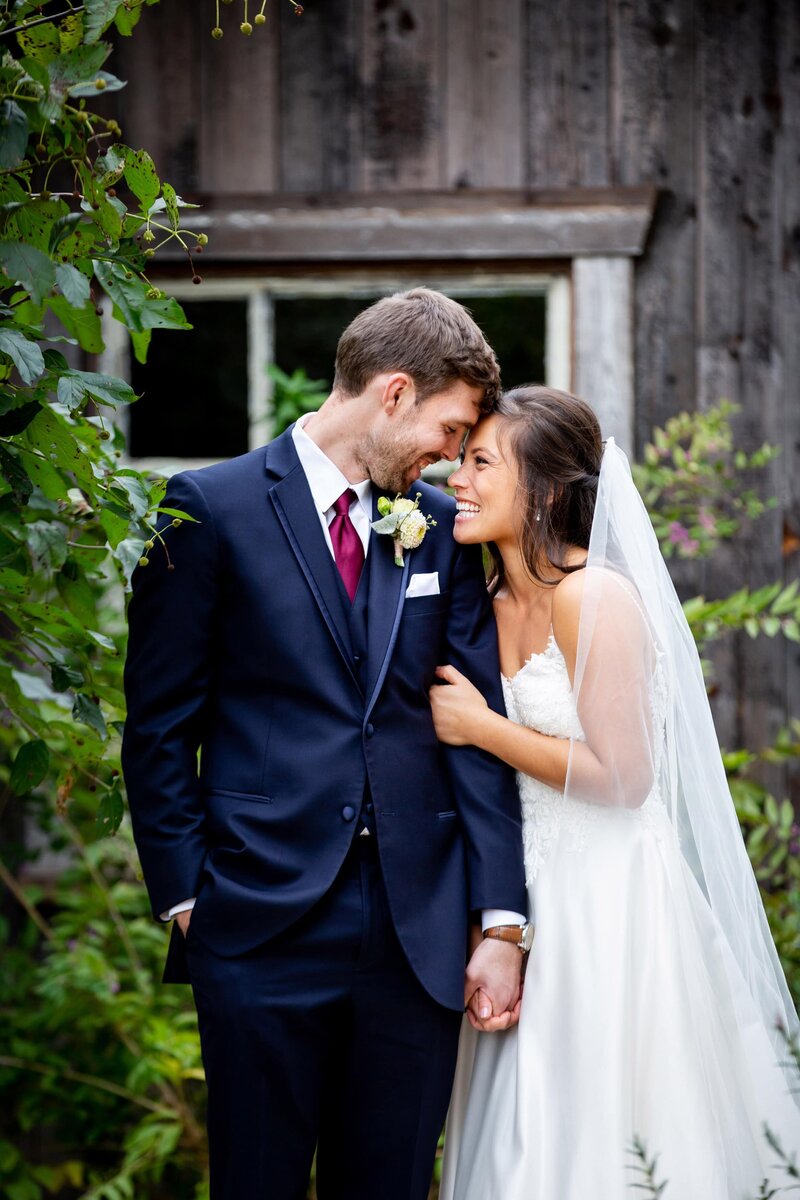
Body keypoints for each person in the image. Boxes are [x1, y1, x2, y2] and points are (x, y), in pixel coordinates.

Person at [121, 288, 528, 1200]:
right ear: (392, 394)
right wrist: (188, 900)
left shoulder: (438, 533)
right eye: (451, 429)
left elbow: (473, 729)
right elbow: (158, 727)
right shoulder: (205, 509)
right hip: (257, 926)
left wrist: (501, 919)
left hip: (416, 937)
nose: (454, 459)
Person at [432, 386, 800, 1200]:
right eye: (460, 456)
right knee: (522, 1132)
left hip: (609, 898)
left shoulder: (591, 597)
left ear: (548, 490)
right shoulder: (485, 601)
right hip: (519, 899)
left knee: (608, 1125)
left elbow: (625, 780)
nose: (457, 475)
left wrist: (482, 726)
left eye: (482, 461)